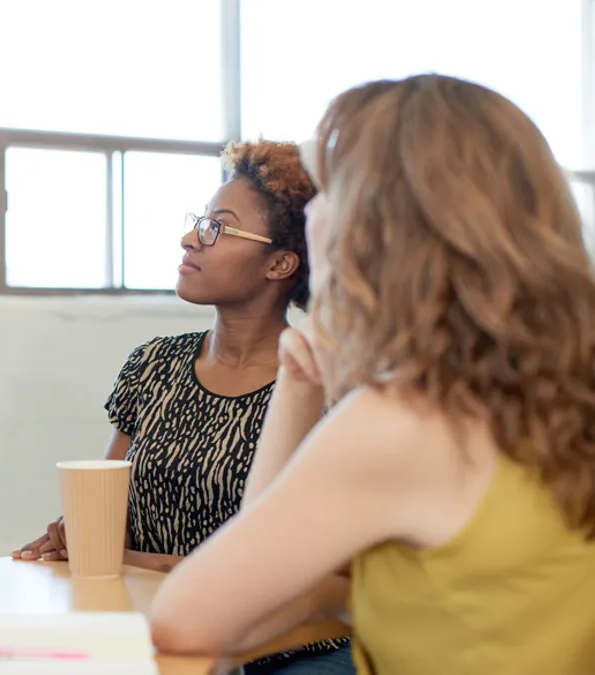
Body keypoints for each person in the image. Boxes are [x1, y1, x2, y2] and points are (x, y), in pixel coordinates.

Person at [148, 74, 595, 674]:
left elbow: (194, 616)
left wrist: (298, 385)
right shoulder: (563, 387)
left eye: (328, 192)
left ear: (370, 228)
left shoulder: (405, 420)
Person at [16, 140, 352, 673]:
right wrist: (78, 534)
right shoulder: (154, 365)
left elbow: (329, 578)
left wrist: (134, 560)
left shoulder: (321, 389)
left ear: (281, 263)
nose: (190, 238)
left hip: (289, 653)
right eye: (200, 221)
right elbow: (110, 512)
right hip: (160, 630)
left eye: (217, 227)